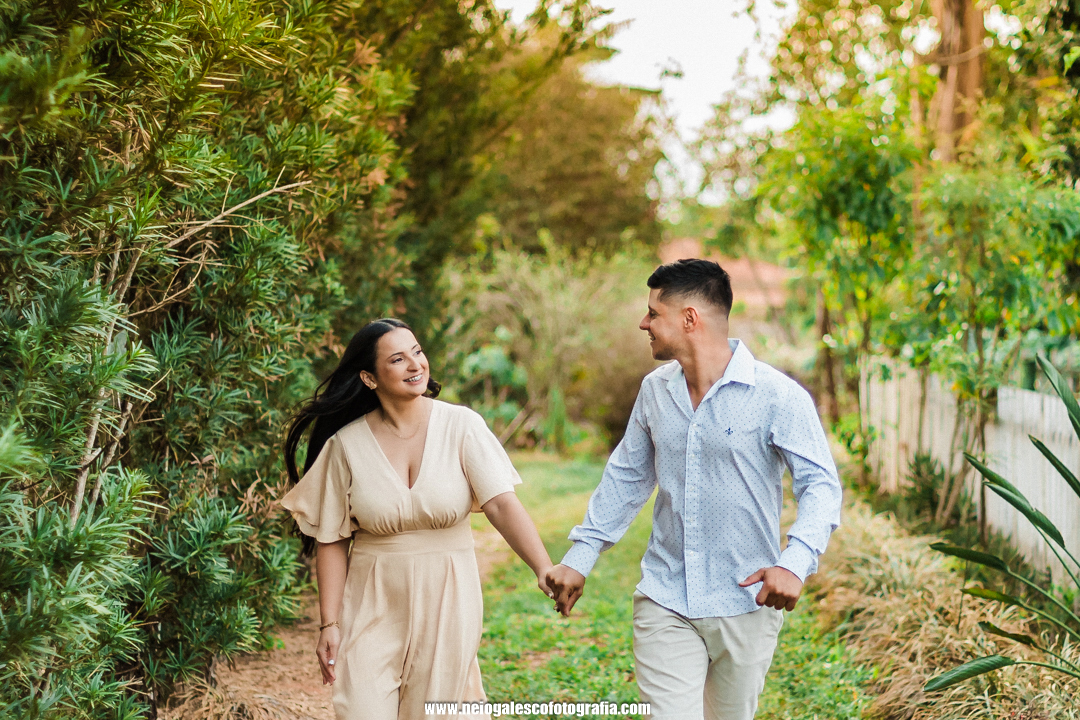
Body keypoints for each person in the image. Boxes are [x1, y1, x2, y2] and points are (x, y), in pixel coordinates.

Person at [545, 259, 843, 720]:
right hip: (665, 597)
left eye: (653, 313)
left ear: (689, 318)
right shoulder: (655, 391)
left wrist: (795, 561)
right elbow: (627, 477)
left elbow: (820, 485)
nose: (643, 323)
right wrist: (580, 556)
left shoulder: (777, 396)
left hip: (744, 603)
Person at [281, 318, 554, 720]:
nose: (415, 365)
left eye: (417, 352)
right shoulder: (346, 445)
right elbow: (332, 538)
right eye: (397, 359)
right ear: (369, 378)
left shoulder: (461, 426)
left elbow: (501, 504)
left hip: (448, 596)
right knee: (361, 709)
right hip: (372, 601)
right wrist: (329, 624)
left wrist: (543, 567)